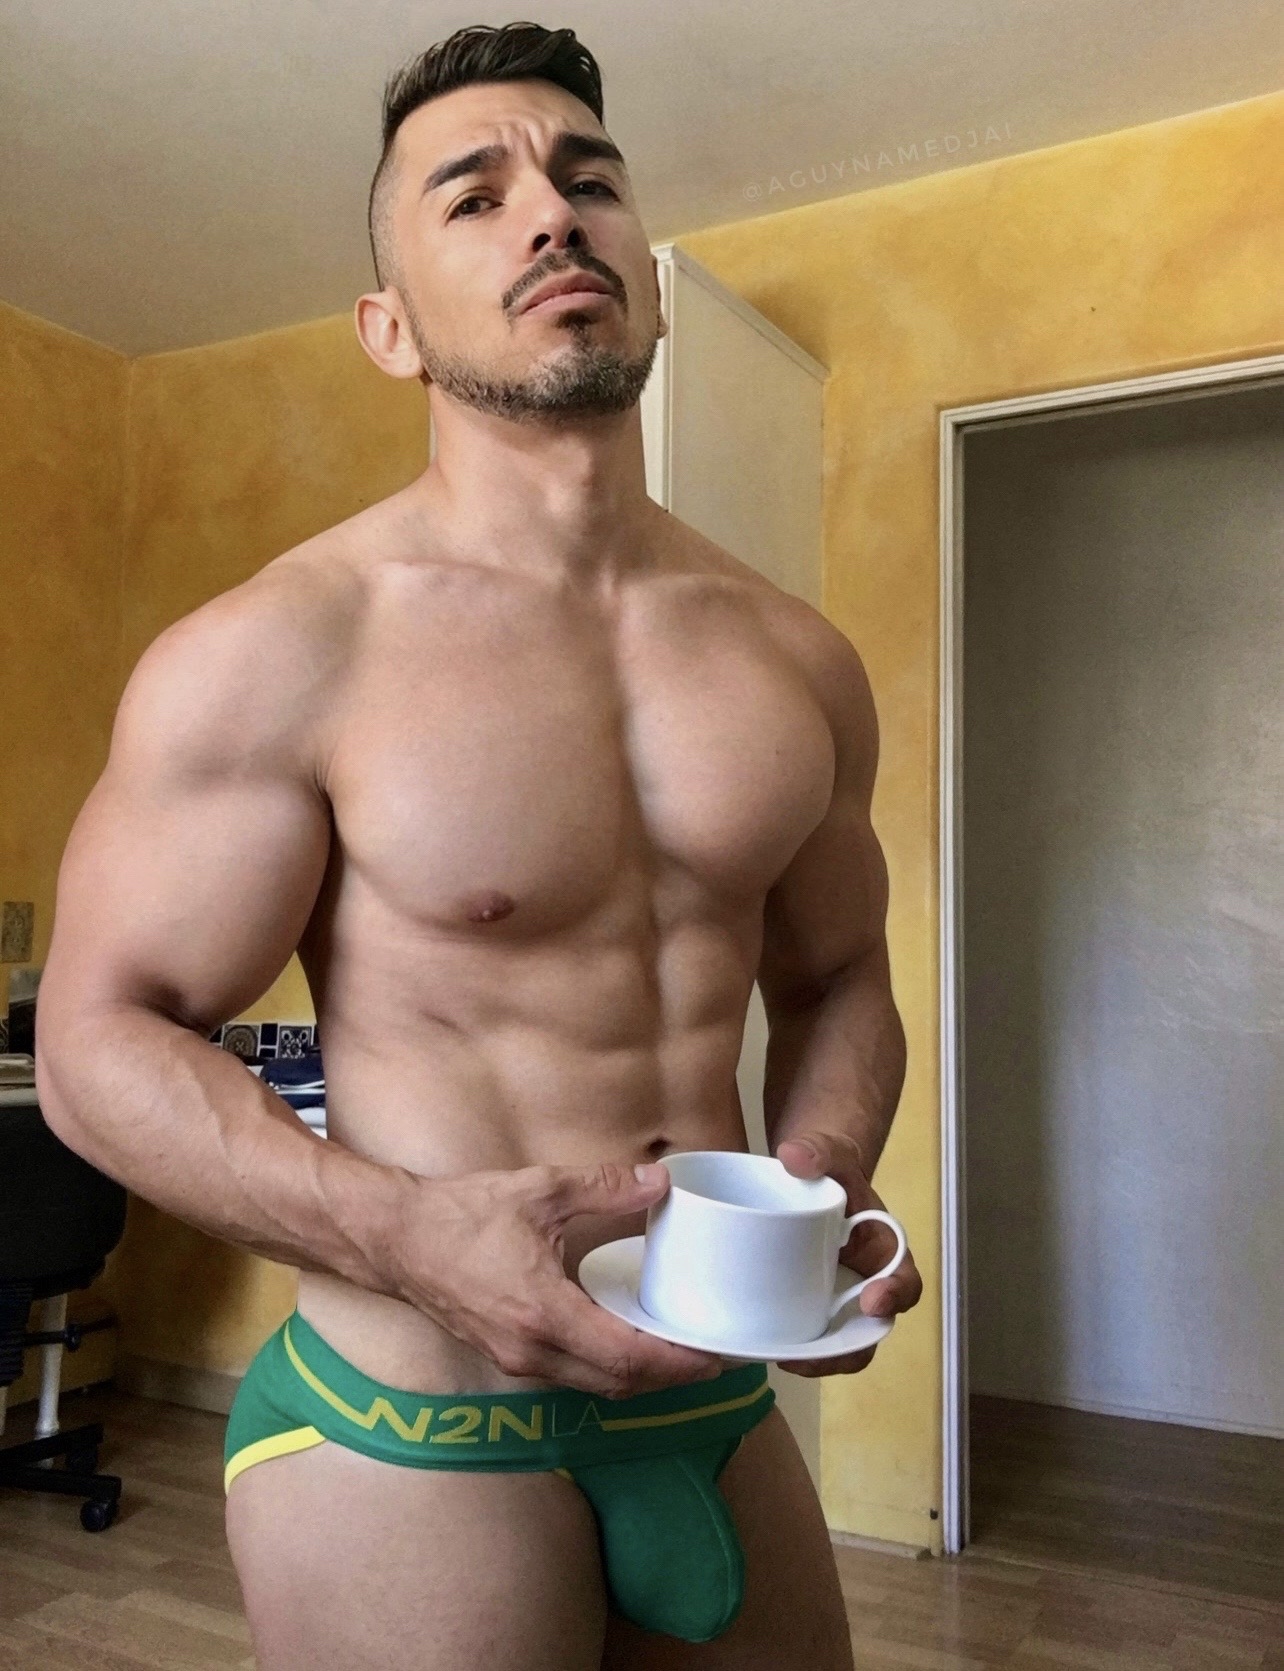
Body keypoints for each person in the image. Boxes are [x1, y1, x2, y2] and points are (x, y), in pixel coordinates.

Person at [34, 21, 922, 1671]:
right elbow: (97, 1041)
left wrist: (826, 1180)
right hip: (414, 1419)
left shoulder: (796, 661)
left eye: (591, 182)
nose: (553, 213)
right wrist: (401, 1238)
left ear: (647, 276)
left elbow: (841, 973)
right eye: (475, 195)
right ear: (389, 328)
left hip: (714, 1400)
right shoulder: (282, 648)